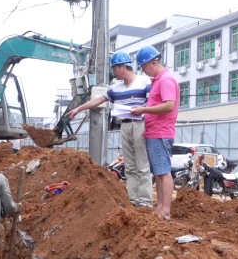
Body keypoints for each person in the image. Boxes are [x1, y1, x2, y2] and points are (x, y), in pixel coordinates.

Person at [67, 51, 153, 207]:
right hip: (125, 125)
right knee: (130, 166)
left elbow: (152, 103)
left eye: (114, 68)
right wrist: (78, 109)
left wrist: (142, 109)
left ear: (122, 67)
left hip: (140, 124)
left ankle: (145, 201)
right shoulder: (116, 88)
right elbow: (98, 100)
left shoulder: (144, 81)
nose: (113, 72)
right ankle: (133, 200)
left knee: (142, 165)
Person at [131, 46, 180, 221]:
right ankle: (160, 207)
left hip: (161, 132)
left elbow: (169, 105)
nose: (144, 70)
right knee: (158, 172)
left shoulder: (165, 80)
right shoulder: (158, 80)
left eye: (144, 67)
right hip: (154, 132)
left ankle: (165, 209)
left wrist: (144, 109)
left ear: (154, 62)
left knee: (163, 172)